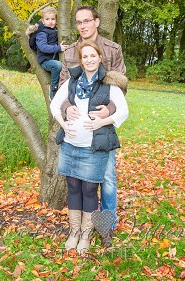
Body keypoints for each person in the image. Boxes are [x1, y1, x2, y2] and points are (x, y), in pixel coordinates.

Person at [50, 41, 128, 254]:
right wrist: (63, 123)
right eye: (85, 57)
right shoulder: (72, 82)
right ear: (81, 60)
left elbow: (123, 111)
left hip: (93, 148)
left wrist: (102, 121)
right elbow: (55, 104)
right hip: (70, 145)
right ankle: (74, 231)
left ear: (100, 57)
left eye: (93, 56)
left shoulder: (108, 83)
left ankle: (86, 233)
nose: (89, 60)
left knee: (89, 189)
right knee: (73, 187)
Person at [28, 7, 66, 96]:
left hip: (54, 59)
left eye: (53, 19)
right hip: (46, 61)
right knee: (57, 65)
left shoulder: (55, 30)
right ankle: (53, 87)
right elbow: (43, 47)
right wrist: (58, 48)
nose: (50, 21)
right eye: (47, 19)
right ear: (42, 21)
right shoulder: (42, 33)